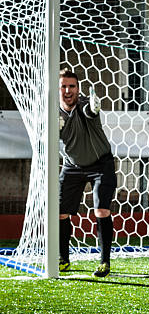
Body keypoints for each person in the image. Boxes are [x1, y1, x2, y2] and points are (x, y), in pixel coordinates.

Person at [58, 69, 116, 278]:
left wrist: (94, 105)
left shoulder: (84, 106)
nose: (67, 90)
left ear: (78, 88)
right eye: (63, 86)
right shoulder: (53, 112)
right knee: (59, 212)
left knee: (101, 210)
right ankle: (63, 259)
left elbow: (92, 110)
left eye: (71, 86)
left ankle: (104, 262)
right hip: (72, 166)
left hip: (101, 165)